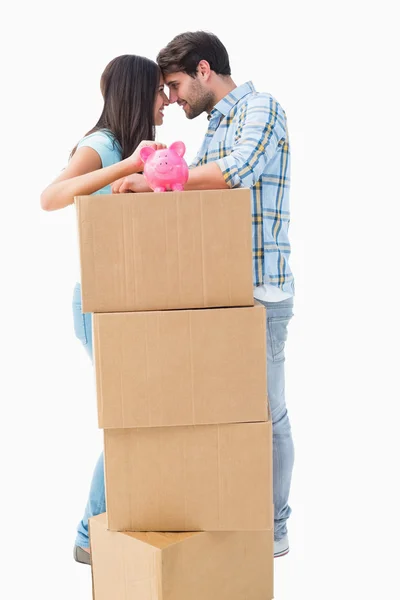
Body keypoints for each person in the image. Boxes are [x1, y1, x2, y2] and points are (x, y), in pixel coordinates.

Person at [113, 32, 295, 559]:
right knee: (218, 411)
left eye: (174, 86)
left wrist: (155, 184)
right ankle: (228, 511)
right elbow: (192, 196)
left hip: (260, 289)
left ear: (204, 69)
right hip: (218, 289)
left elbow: (234, 174)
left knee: (266, 412)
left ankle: (274, 525)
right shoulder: (216, 127)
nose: (172, 100)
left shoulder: (262, 109)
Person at [40, 54, 169, 565]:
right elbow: (50, 198)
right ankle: (89, 535)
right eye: (160, 91)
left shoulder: (134, 147)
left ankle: (110, 525)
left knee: (147, 414)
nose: (167, 101)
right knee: (132, 420)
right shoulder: (103, 145)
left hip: (129, 301)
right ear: (139, 93)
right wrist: (129, 164)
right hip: (101, 303)